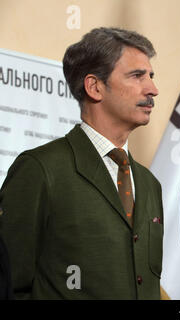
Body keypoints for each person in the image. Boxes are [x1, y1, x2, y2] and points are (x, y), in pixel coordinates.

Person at [0, 27, 164, 299]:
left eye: (151, 76)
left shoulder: (149, 183)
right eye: (137, 76)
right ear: (94, 86)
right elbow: (9, 284)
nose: (153, 89)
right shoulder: (41, 169)